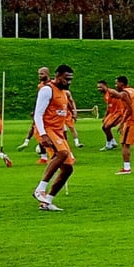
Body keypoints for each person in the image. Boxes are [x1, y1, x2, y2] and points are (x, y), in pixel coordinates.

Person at [31, 65, 77, 212]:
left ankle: (47, 202)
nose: (68, 82)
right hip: (47, 129)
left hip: (57, 132)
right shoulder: (47, 90)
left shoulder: (64, 93)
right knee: (61, 154)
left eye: (70, 79)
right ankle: (40, 189)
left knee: (68, 168)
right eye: (66, 79)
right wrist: (43, 134)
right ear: (57, 75)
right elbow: (38, 114)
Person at [17, 66, 51, 164]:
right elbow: (39, 100)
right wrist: (36, 110)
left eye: (42, 74)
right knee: (38, 131)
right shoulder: (40, 86)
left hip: (50, 114)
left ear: (47, 74)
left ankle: (58, 154)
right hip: (41, 112)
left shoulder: (51, 85)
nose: (39, 76)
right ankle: (44, 157)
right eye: (39, 74)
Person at [97, 79, 127, 151]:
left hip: (118, 112)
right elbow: (108, 106)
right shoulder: (105, 95)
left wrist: (124, 109)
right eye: (98, 87)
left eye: (100, 87)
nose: (99, 89)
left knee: (107, 127)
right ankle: (113, 142)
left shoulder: (111, 92)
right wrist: (105, 116)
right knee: (104, 127)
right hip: (112, 113)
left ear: (105, 86)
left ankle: (108, 144)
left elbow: (121, 97)